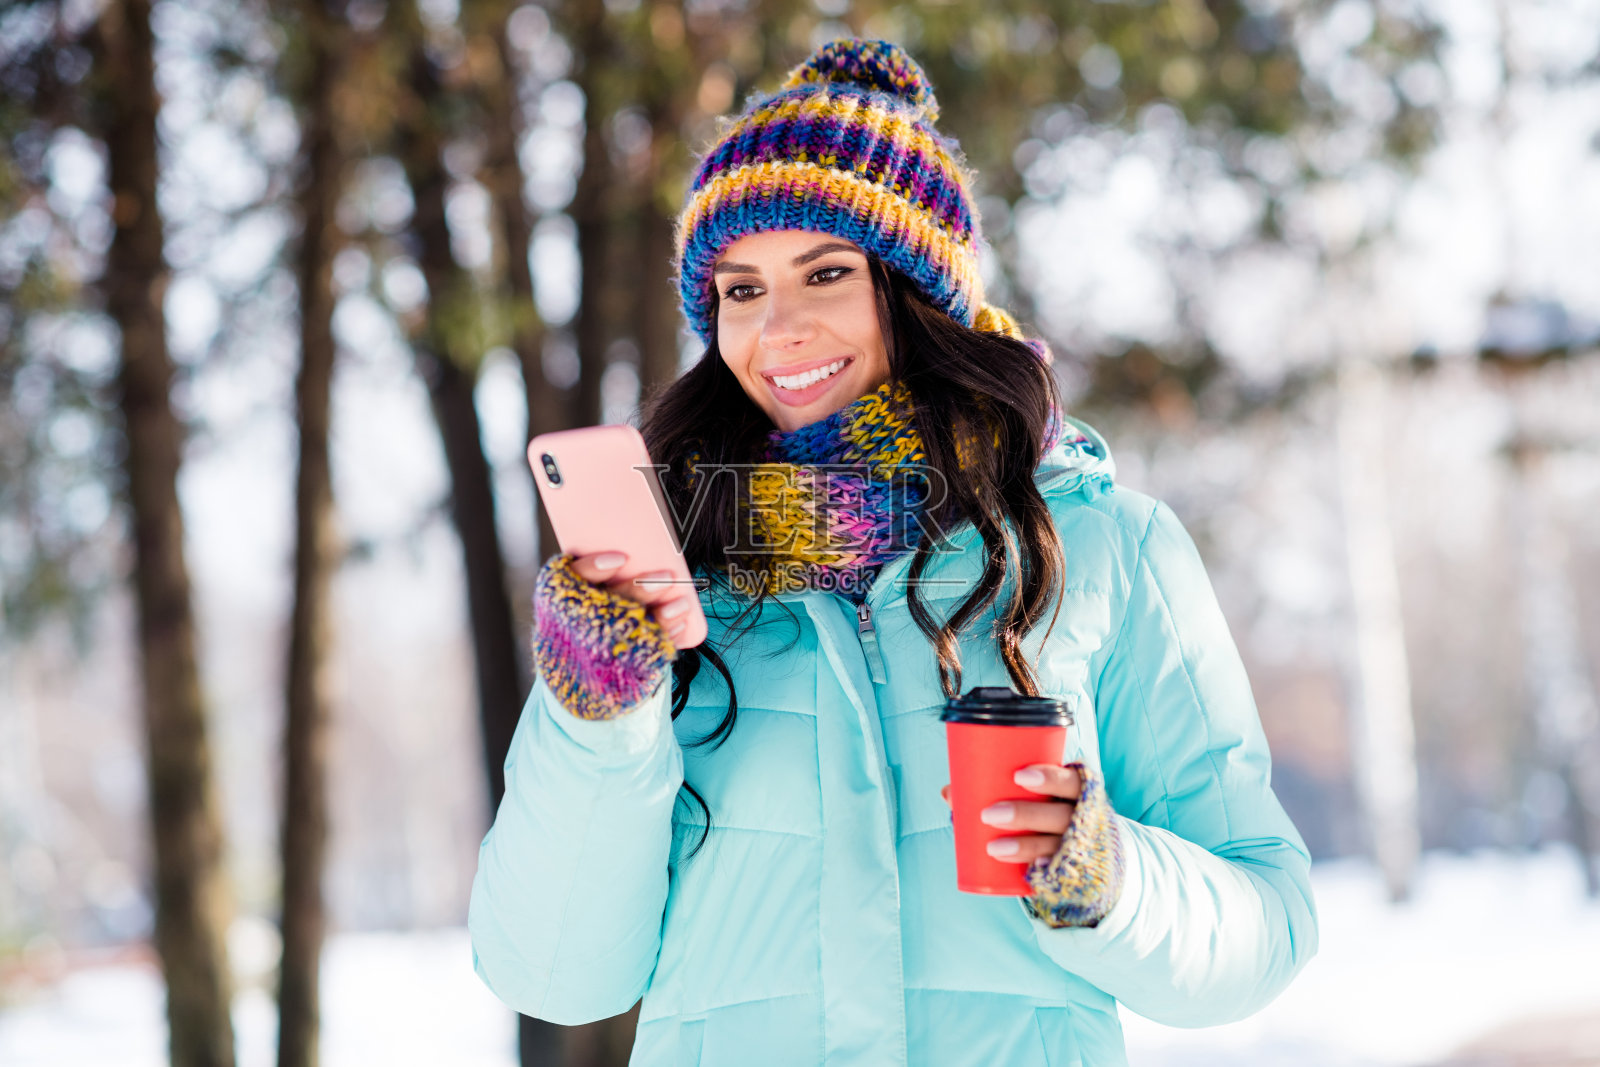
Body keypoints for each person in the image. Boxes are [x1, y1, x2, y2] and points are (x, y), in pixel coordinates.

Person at [469, 38, 1317, 1066]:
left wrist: (1116, 877)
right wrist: (595, 718)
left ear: (917, 291)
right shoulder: (677, 579)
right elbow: (556, 973)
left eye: (825, 272)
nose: (777, 327)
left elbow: (1266, 921)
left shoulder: (1100, 544)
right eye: (739, 289)